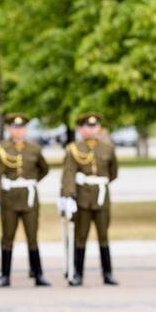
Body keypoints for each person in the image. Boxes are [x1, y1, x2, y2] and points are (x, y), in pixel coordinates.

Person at [0, 113, 50, 287]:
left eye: (22, 127)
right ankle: (5, 275)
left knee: (32, 236)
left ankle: (38, 274)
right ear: (9, 129)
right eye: (15, 128)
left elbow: (44, 169)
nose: (19, 131)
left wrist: (30, 182)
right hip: (9, 198)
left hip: (29, 198)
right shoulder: (1, 148)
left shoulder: (34, 148)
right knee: (8, 236)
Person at [61, 113, 119, 286]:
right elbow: (68, 174)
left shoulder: (108, 148)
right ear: (81, 129)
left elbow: (113, 172)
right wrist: (69, 195)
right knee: (81, 236)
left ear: (99, 129)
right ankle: (78, 273)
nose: (91, 129)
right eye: (88, 126)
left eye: (94, 126)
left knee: (103, 235)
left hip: (101, 197)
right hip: (82, 198)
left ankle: (107, 273)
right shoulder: (74, 149)